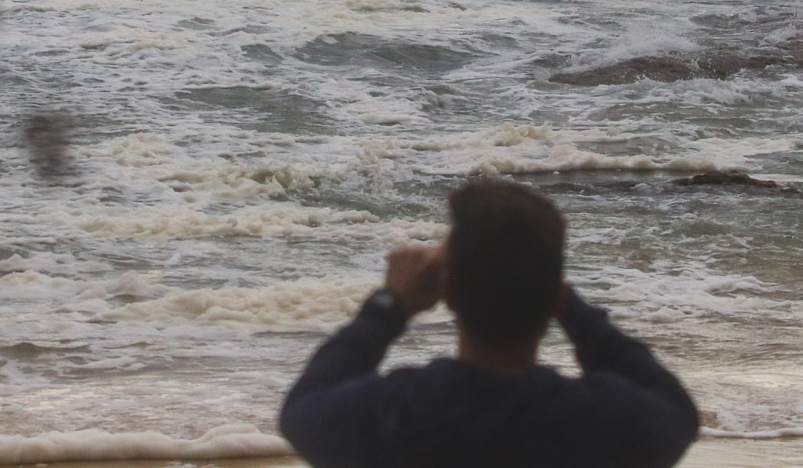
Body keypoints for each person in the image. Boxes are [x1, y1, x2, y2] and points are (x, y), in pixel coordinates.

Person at [280, 178, 699, 468]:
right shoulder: (598, 423)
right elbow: (675, 408)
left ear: (449, 293)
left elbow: (302, 408)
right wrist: (569, 305)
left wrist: (390, 304)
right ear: (552, 297)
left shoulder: (401, 415)